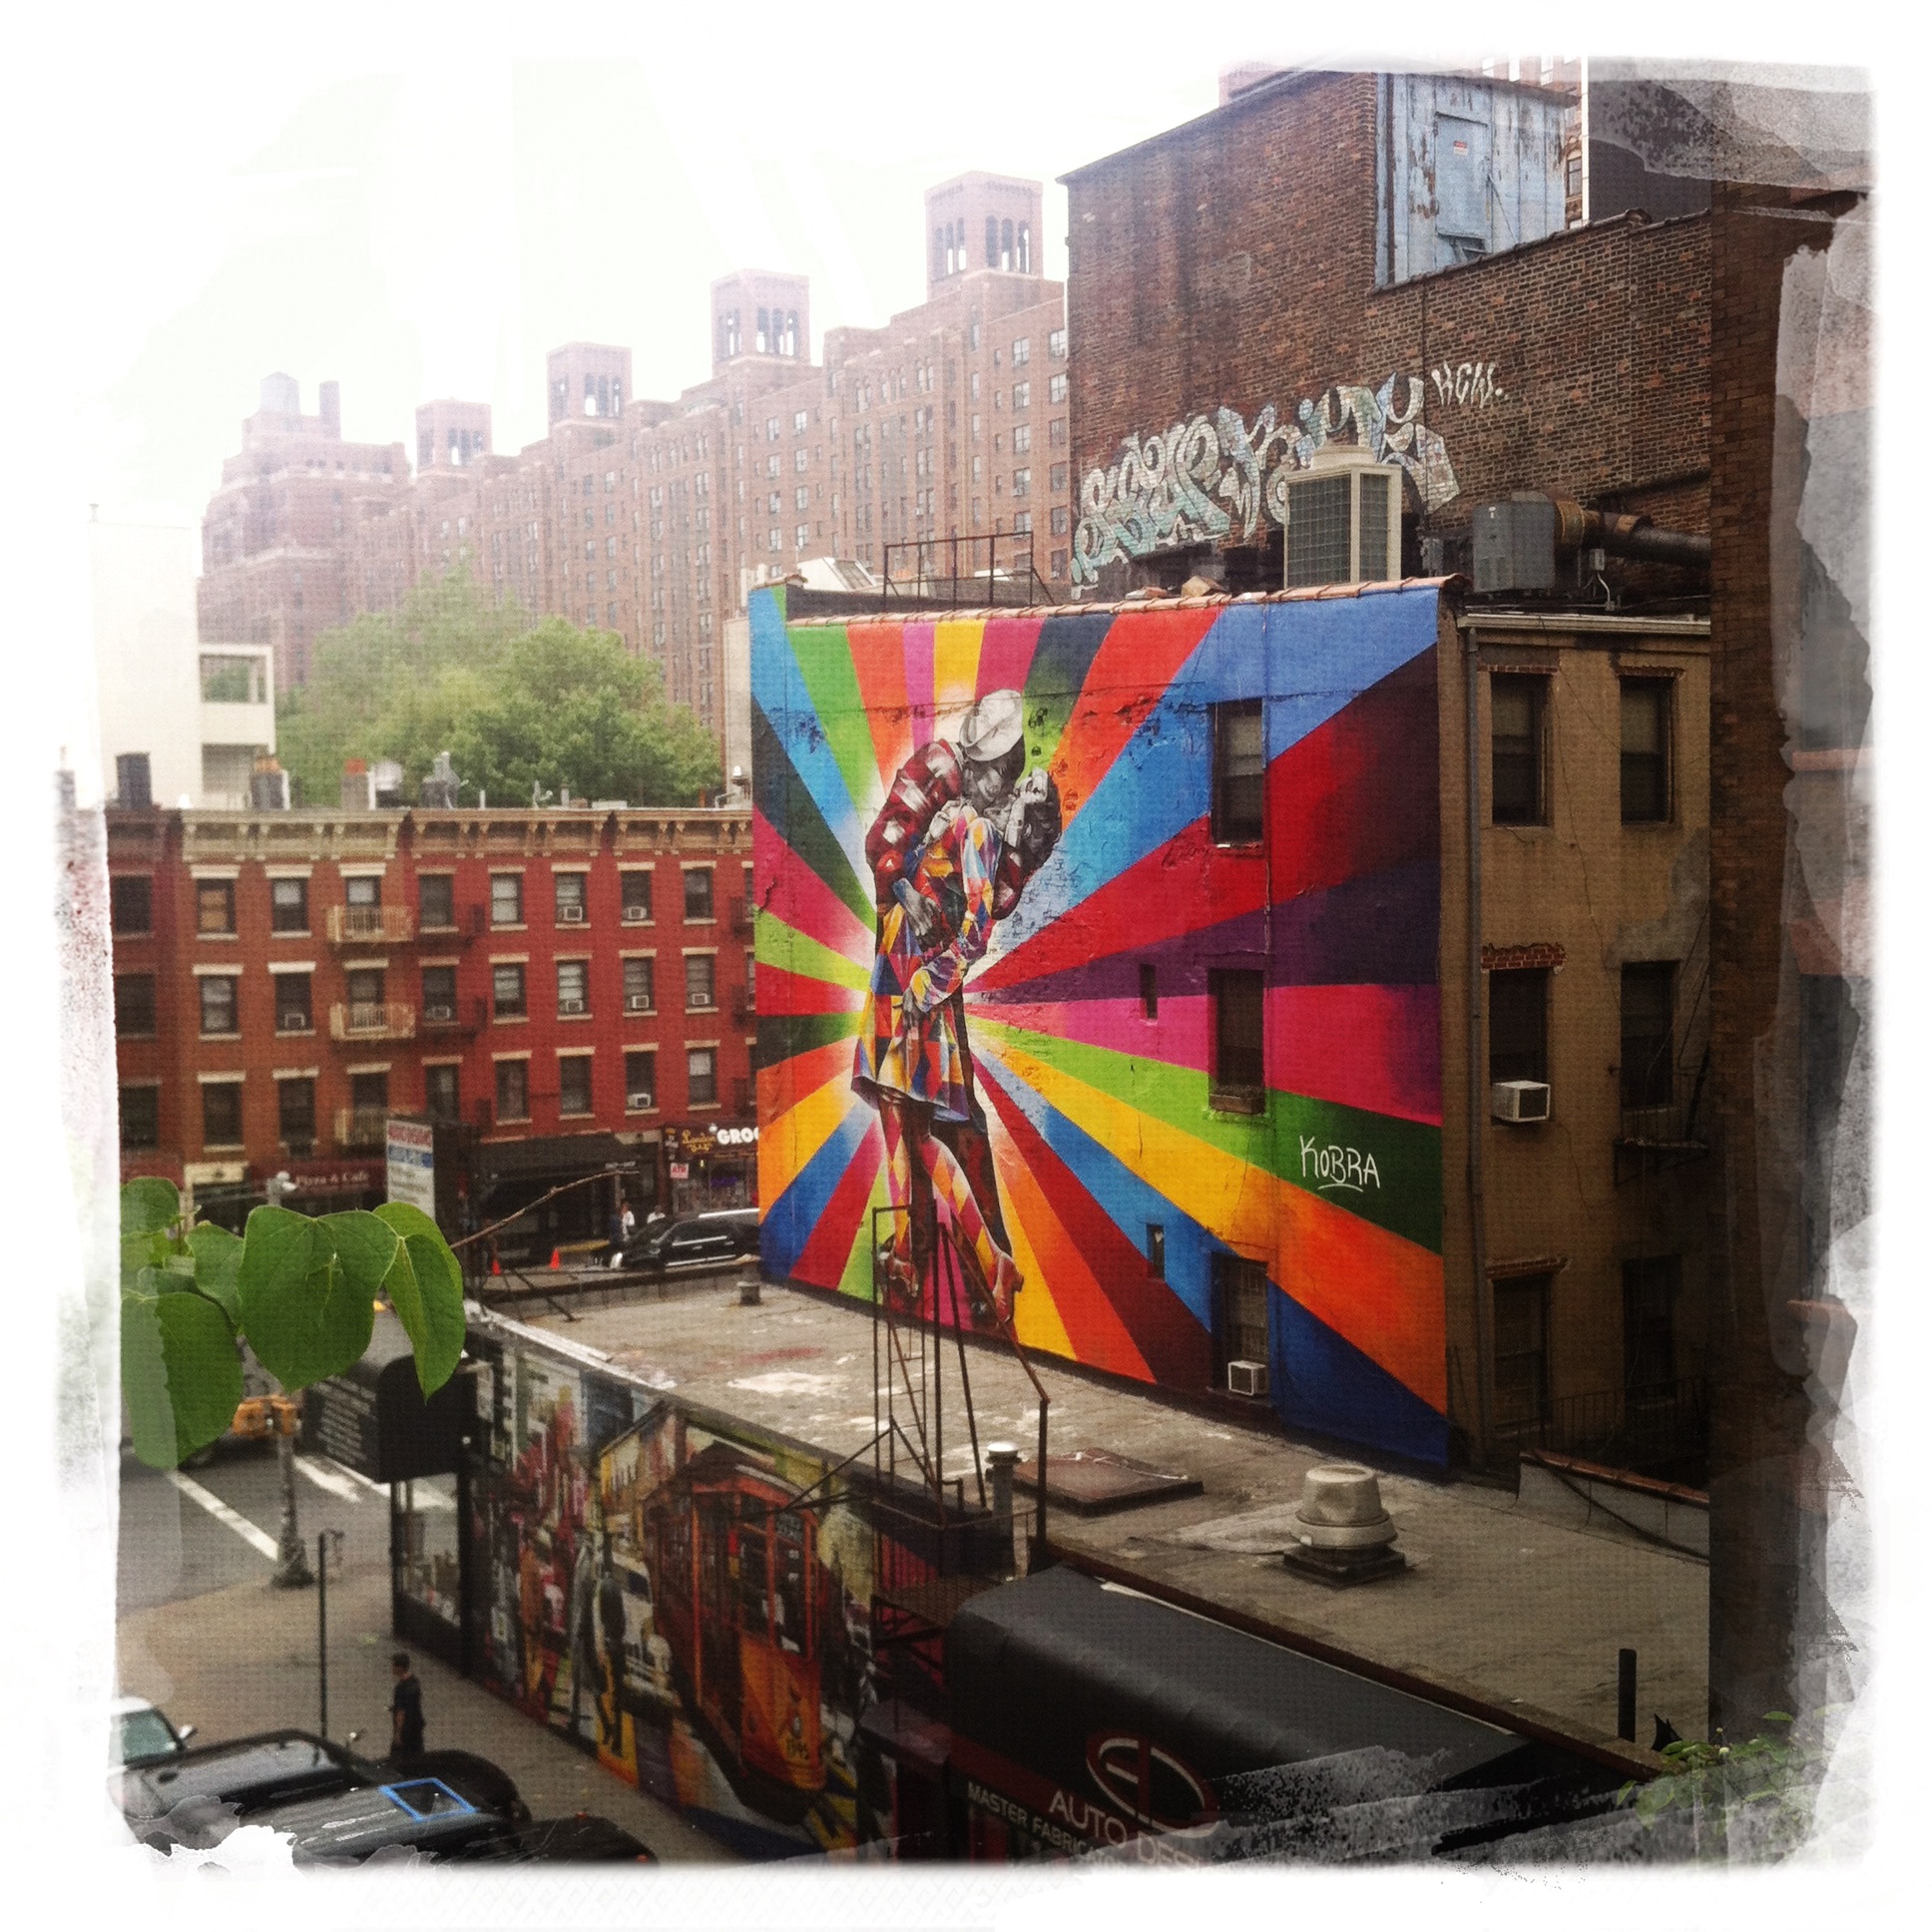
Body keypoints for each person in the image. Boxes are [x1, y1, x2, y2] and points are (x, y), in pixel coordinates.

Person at [854, 767, 1061, 1325]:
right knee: (911, 1127)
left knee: (902, 1115)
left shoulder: (979, 832)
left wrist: (928, 983)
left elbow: (975, 933)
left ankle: (919, 1254)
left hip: (914, 976)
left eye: (1022, 799)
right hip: (906, 967)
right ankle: (987, 1261)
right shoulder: (977, 833)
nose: (1008, 794)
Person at [389, 1653, 425, 1763]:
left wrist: (398, 1734)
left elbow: (401, 1712)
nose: (392, 1668)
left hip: (405, 1729)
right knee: (416, 1753)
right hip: (416, 1724)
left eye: (394, 1665)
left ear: (400, 1668)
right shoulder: (415, 1681)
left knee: (398, 1757)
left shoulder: (400, 1688)